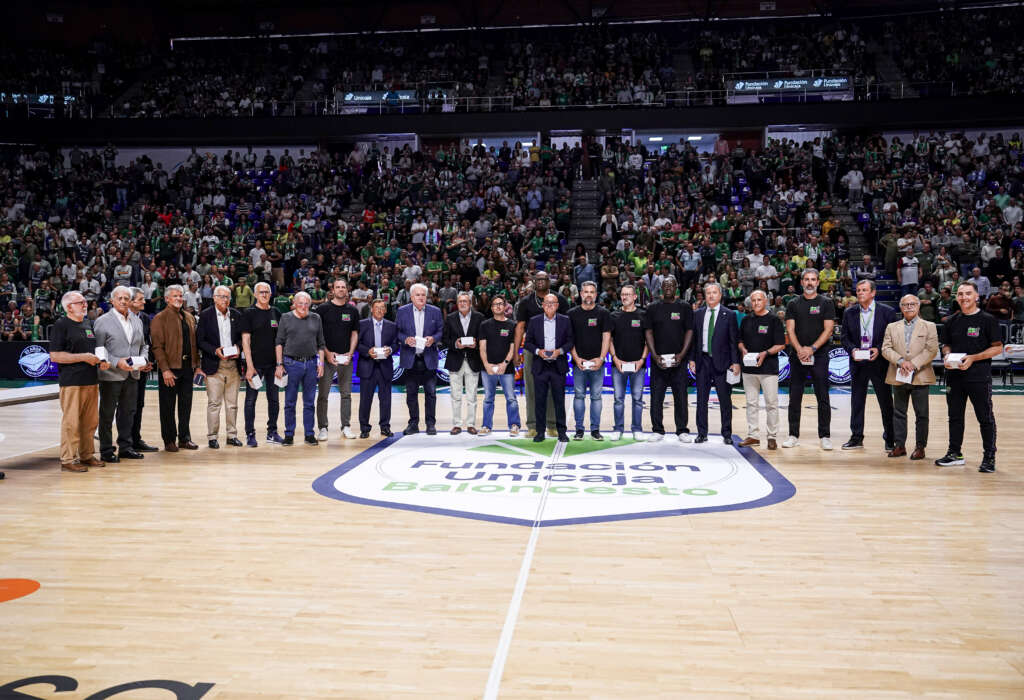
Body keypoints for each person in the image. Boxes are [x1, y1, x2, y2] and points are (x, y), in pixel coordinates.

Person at [936, 281, 1003, 472]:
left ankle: (989, 457)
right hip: (954, 377)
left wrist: (974, 358)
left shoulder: (988, 320)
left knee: (985, 417)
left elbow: (997, 347)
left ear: (976, 297)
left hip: (978, 376)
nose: (963, 297)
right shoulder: (951, 321)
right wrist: (946, 354)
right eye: (960, 294)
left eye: (968, 294)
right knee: (954, 416)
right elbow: (945, 344)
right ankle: (955, 453)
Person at [49, 291, 108, 472]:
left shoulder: (87, 324)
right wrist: (83, 357)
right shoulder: (61, 325)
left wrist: (102, 361)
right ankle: (68, 459)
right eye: (80, 302)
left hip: (91, 380)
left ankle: (87, 455)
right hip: (72, 381)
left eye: (85, 302)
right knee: (71, 423)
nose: (85, 305)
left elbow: (95, 350)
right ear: (68, 307)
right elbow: (55, 356)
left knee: (90, 423)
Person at [840, 280, 899, 451]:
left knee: (886, 401)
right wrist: (852, 350)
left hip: (879, 362)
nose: (860, 293)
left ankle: (890, 438)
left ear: (873, 293)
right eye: (858, 290)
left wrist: (878, 349)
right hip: (858, 362)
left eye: (864, 290)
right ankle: (856, 437)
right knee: (857, 402)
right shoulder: (849, 312)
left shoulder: (887, 312)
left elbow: (892, 338)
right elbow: (844, 337)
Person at [93, 286, 149, 463]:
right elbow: (98, 350)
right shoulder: (102, 321)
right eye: (120, 298)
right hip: (111, 374)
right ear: (112, 300)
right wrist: (118, 361)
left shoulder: (136, 320)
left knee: (128, 412)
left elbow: (143, 345)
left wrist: (144, 360)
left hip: (133, 374)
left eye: (127, 298)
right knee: (107, 414)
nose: (124, 301)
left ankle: (126, 447)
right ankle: (106, 450)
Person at [881, 295, 939, 459]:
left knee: (922, 414)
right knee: (899, 413)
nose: (909, 307)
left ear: (919, 306)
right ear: (900, 307)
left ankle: (920, 447)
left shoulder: (929, 326)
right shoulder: (892, 326)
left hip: (920, 374)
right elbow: (885, 348)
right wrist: (900, 361)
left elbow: (932, 349)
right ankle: (899, 446)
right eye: (905, 304)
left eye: (912, 304)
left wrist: (913, 364)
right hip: (899, 374)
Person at [784, 269, 836, 450]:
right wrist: (800, 350)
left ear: (818, 282)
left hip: (819, 355)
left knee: (822, 396)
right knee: (794, 396)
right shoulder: (793, 303)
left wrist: (812, 349)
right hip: (797, 356)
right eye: (806, 279)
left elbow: (828, 330)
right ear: (801, 282)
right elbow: (790, 330)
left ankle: (825, 436)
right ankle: (792, 435)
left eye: (813, 280)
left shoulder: (826, 302)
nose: (809, 283)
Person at [515, 271, 570, 438]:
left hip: (556, 351)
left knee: (555, 390)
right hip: (533, 351)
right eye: (537, 279)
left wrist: (562, 350)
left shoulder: (560, 299)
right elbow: (520, 327)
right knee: (532, 389)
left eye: (543, 279)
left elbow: (567, 325)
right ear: (533, 281)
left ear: (549, 281)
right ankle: (532, 425)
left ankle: (552, 425)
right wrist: (516, 352)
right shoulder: (525, 302)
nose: (540, 282)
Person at [151, 285, 202, 452]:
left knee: (185, 405)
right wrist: (165, 369)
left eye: (180, 295)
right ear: (167, 299)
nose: (179, 298)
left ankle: (184, 438)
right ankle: (169, 439)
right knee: (167, 406)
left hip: (187, 367)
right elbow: (157, 347)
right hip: (170, 369)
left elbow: (194, 345)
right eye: (175, 296)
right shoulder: (160, 318)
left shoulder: (189, 317)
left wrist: (197, 366)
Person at [643, 277, 694, 442]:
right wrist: (655, 355)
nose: (668, 287)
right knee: (656, 397)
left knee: (681, 397)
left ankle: (682, 430)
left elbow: (689, 331)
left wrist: (682, 354)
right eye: (665, 285)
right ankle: (657, 430)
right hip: (659, 362)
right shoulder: (652, 308)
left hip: (679, 361)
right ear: (660, 288)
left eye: (672, 284)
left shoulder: (684, 307)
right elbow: (648, 332)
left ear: (676, 287)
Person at [689, 283, 740, 444]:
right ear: (705, 295)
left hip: (723, 363)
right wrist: (691, 359)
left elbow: (733, 341)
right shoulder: (697, 314)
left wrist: (735, 362)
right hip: (702, 361)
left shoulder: (729, 314)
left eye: (714, 292)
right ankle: (702, 433)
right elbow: (693, 340)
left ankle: (726, 434)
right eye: (708, 293)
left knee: (725, 400)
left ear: (720, 295)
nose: (711, 295)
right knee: (701, 399)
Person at [274, 291, 326, 446]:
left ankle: (309, 434)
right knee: (290, 402)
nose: (303, 306)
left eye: (306, 303)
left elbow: (321, 344)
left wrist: (321, 363)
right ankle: (289, 434)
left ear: (309, 304)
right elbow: (279, 342)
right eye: (300, 303)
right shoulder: (286, 318)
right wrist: (279, 364)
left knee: (309, 402)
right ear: (294, 304)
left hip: (310, 364)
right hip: (291, 364)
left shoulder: (316, 318)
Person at [197, 285, 244, 449]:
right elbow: (200, 341)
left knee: (232, 404)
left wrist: (239, 347)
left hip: (233, 365)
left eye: (227, 297)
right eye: (221, 296)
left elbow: (241, 339)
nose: (225, 300)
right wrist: (215, 351)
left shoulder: (237, 315)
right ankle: (212, 437)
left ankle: (232, 435)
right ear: (214, 298)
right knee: (214, 403)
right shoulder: (205, 315)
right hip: (213, 365)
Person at [738, 290, 786, 449]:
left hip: (768, 369)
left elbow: (781, 344)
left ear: (766, 301)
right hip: (749, 369)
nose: (756, 303)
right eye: (753, 300)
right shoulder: (745, 320)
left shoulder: (774, 320)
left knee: (771, 404)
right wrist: (743, 349)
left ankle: (772, 437)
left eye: (759, 300)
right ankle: (753, 435)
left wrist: (765, 353)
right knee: (751, 403)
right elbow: (739, 341)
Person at [523, 293, 573, 443]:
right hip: (540, 366)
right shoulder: (534, 321)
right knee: (539, 400)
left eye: (553, 303)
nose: (550, 305)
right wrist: (539, 352)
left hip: (558, 365)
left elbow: (570, 341)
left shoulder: (565, 320)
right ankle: (540, 432)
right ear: (543, 305)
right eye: (547, 303)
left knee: (559, 400)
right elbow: (528, 343)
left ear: (557, 305)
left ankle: (562, 432)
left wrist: (560, 351)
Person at [396, 283, 444, 435]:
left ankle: (430, 424)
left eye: (423, 294)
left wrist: (433, 339)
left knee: (431, 393)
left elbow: (441, 331)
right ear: (411, 297)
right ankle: (413, 423)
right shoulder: (402, 311)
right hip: (411, 359)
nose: (421, 297)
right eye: (418, 295)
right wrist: (405, 339)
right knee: (411, 394)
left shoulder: (435, 311)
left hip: (428, 358)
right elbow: (397, 332)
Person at [315, 278, 359, 441]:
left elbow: (355, 333)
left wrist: (350, 353)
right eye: (337, 287)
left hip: (345, 359)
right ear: (332, 290)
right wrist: (326, 353)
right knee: (323, 395)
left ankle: (346, 426)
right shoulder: (322, 309)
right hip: (327, 358)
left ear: (347, 290)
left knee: (346, 394)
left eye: (343, 287)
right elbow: (317, 335)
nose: (341, 289)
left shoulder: (352, 310)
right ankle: (323, 427)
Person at [241, 282, 284, 447]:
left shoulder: (276, 313)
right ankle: (250, 434)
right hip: (255, 365)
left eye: (267, 292)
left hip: (273, 365)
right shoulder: (249, 313)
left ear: (270, 294)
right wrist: (250, 366)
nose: (264, 295)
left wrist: (280, 364)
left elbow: (280, 341)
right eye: (261, 292)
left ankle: (272, 432)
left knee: (274, 399)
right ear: (255, 294)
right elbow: (246, 341)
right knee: (251, 400)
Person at [568, 281, 612, 440]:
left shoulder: (603, 313)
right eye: (585, 291)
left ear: (596, 294)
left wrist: (601, 359)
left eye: (591, 292)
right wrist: (576, 358)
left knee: (596, 397)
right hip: (578, 363)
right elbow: (569, 338)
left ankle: (595, 430)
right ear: (580, 293)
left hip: (597, 364)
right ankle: (579, 429)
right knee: (579, 396)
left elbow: (606, 337)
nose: (588, 294)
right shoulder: (572, 313)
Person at [609, 284, 648, 441]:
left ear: (635, 297)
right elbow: (609, 339)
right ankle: (618, 428)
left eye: (628, 294)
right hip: (618, 365)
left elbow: (648, 341)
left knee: (637, 398)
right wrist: (615, 358)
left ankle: (637, 428)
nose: (624, 297)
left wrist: (642, 360)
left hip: (638, 365)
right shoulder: (614, 316)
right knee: (618, 399)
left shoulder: (643, 315)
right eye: (622, 294)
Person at [478, 296, 521, 436]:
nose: (497, 306)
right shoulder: (485, 325)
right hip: (488, 368)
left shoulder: (511, 325)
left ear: (505, 306)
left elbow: (512, 348)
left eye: (500, 304)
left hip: (506, 368)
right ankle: (486, 426)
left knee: (511, 398)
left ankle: (514, 425)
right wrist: (486, 365)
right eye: (495, 304)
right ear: (491, 308)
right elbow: (482, 347)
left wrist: (505, 364)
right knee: (488, 398)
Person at [356, 298, 399, 438]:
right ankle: (364, 428)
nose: (380, 310)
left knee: (386, 399)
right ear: (372, 309)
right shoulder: (362, 324)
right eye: (377, 307)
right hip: (367, 366)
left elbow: (396, 344)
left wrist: (390, 350)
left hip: (385, 367)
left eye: (382, 307)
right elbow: (357, 344)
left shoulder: (392, 326)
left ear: (385, 310)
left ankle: (385, 427)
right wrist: (367, 351)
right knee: (365, 400)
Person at [443, 291, 484, 434]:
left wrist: (476, 344)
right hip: (455, 360)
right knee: (456, 395)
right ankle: (457, 424)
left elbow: (483, 338)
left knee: (472, 395)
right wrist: (455, 344)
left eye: (465, 301)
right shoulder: (450, 318)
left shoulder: (480, 318)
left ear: (470, 303)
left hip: (473, 360)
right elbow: (445, 339)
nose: (462, 304)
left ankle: (471, 424)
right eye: (460, 301)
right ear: (457, 303)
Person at [128, 287, 159, 453]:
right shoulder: (122, 318)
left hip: (142, 367)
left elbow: (147, 342)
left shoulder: (145, 318)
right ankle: (125, 442)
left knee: (139, 404)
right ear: (131, 301)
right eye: (140, 299)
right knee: (126, 407)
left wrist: (147, 361)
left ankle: (135, 439)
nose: (144, 302)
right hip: (124, 369)